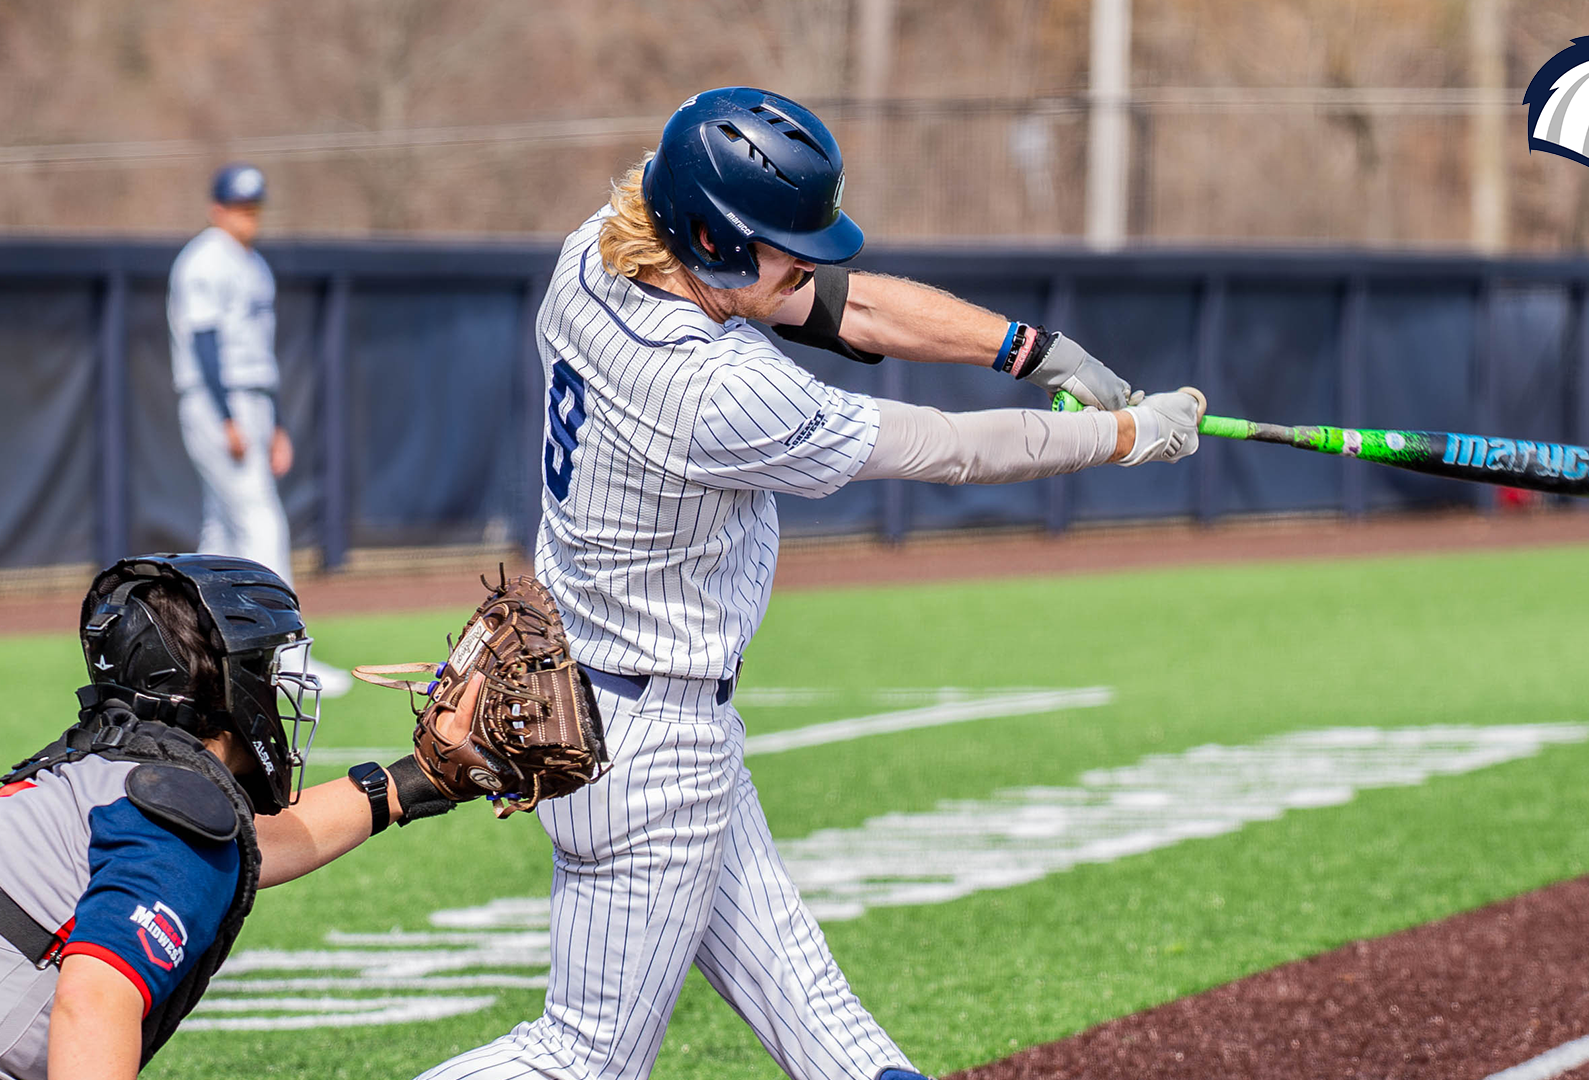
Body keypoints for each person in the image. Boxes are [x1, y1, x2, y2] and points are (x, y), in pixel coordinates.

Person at [416, 87, 1203, 1080]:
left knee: (821, 1019)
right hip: (653, 748)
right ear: (716, 242)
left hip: (603, 698)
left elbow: (847, 303)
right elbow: (949, 449)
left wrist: (1036, 351)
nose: (811, 263)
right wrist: (1123, 437)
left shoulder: (600, 247)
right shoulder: (717, 390)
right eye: (785, 247)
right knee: (581, 1057)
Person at [0, 554, 467, 1080]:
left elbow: (247, 847)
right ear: (238, 687)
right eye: (272, 672)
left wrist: (417, 780)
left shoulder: (89, 777)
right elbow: (94, 1003)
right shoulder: (174, 815)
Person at [167, 163, 350, 696]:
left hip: (254, 401)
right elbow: (204, 343)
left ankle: (196, 654)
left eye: (254, 208)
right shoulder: (203, 258)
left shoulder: (254, 265)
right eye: (238, 207)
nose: (247, 217)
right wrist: (225, 415)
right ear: (216, 207)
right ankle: (289, 658)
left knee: (222, 535)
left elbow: (261, 356)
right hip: (215, 400)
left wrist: (276, 424)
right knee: (262, 524)